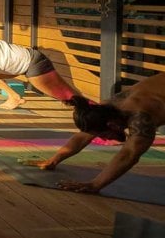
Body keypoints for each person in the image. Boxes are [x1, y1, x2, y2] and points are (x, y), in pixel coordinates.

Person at [19, 73, 164, 193]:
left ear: (112, 125)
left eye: (104, 135)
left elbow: (128, 155)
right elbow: (83, 136)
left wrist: (95, 184)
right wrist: (54, 160)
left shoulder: (141, 117)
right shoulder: (106, 109)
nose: (105, 139)